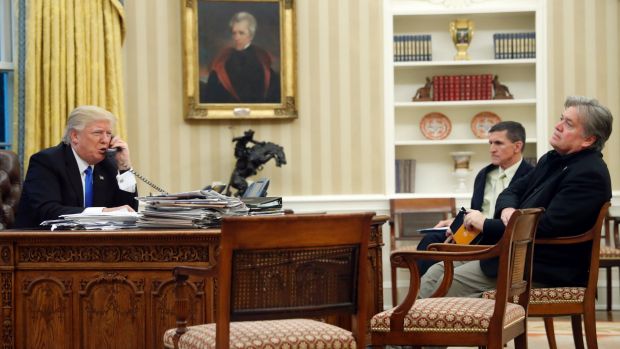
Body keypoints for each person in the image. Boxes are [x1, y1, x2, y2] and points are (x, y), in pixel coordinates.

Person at [419, 96, 613, 298]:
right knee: (435, 273)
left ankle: (418, 325)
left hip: (542, 267)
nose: (558, 126)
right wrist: (508, 209)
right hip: (515, 254)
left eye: (568, 124)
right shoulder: (551, 160)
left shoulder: (589, 173)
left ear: (588, 139)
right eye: (561, 119)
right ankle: (415, 326)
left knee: (446, 284)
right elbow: (511, 191)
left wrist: (485, 224)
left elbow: (546, 227)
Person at [415, 121, 533, 275]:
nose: (492, 149)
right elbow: (476, 211)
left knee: (440, 252)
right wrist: (456, 222)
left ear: (517, 146)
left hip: (500, 235)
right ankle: (424, 296)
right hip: (474, 232)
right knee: (432, 239)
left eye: (498, 143)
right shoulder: (484, 174)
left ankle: (435, 294)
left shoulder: (532, 177)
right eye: (490, 143)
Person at [14, 105, 139, 228]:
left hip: (93, 243)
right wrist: (103, 213)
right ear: (75, 136)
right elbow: (48, 211)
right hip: (40, 242)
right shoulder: (46, 161)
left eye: (108, 134)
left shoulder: (108, 165)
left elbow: (129, 210)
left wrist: (124, 167)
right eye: (98, 133)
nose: (105, 140)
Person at [201, 12, 280, 103]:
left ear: (251, 36)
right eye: (234, 33)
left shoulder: (262, 59)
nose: (236, 37)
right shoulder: (223, 58)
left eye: (241, 33)